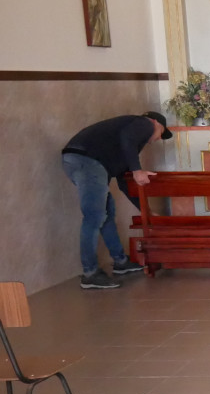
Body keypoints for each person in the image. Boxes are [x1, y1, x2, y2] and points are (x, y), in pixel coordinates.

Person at [61, 112, 172, 289]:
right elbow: (128, 138)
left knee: (106, 213)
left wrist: (147, 212)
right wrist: (137, 170)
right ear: (157, 123)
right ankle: (90, 273)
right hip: (87, 160)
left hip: (83, 160)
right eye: (161, 133)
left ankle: (121, 262)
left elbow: (125, 184)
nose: (158, 139)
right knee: (94, 217)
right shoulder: (145, 123)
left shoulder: (124, 148)